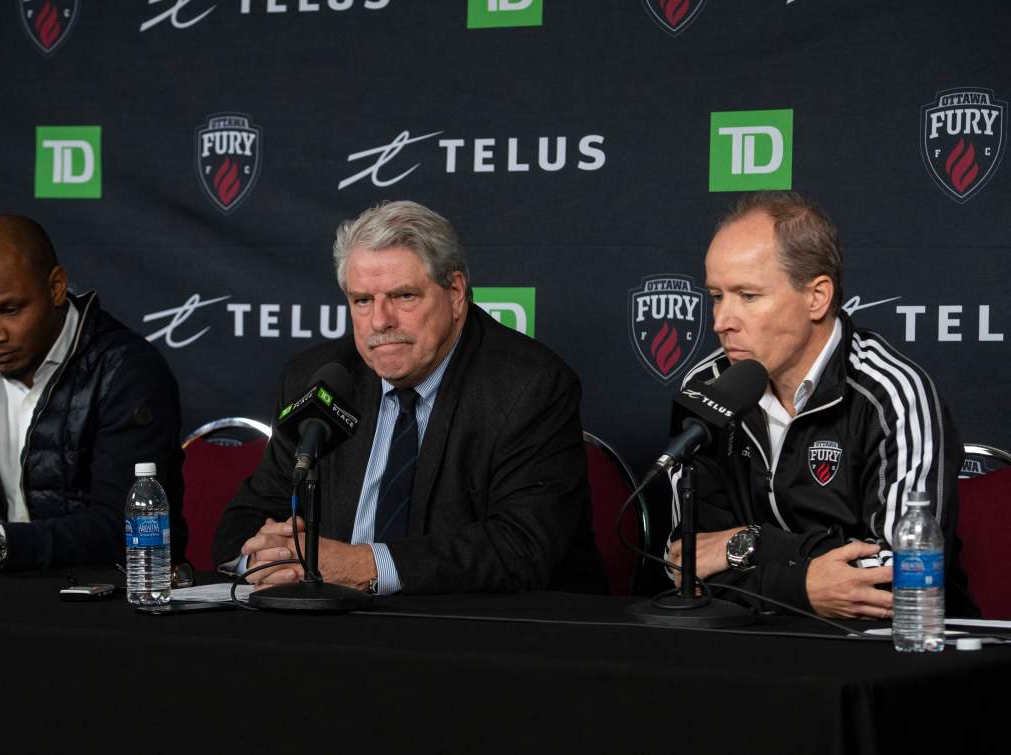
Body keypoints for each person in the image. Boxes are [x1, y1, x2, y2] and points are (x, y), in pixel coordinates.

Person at [212, 200, 605, 595]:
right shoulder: (317, 378)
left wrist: (360, 566)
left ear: (455, 293)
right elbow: (245, 519)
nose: (380, 321)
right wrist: (265, 559)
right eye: (362, 300)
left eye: (403, 296)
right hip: (331, 622)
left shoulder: (529, 385)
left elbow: (521, 548)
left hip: (477, 624)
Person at [668, 191, 975, 619]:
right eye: (717, 296)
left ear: (817, 297)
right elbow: (687, 564)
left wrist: (754, 542)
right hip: (746, 638)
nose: (722, 321)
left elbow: (903, 576)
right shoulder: (707, 387)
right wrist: (803, 587)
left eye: (748, 296)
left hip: (887, 646)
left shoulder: (894, 394)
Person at [0, 215, 188, 575]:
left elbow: (127, 524)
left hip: (108, 591)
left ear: (55, 287)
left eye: (10, 310)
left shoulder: (127, 371)